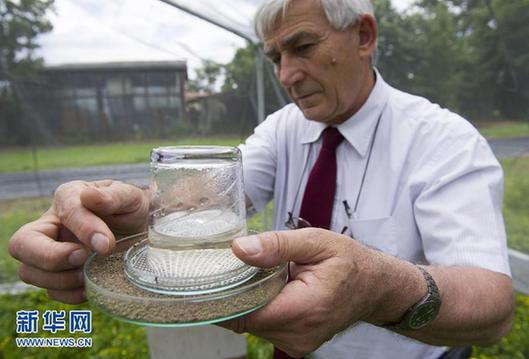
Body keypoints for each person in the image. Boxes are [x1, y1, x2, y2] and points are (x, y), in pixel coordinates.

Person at [9, 0, 514, 358]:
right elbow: (201, 198)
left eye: (302, 46)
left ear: (364, 36)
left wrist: (379, 286)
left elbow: (492, 308)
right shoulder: (283, 129)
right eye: (276, 56)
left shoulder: (443, 139)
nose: (287, 74)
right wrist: (127, 209)